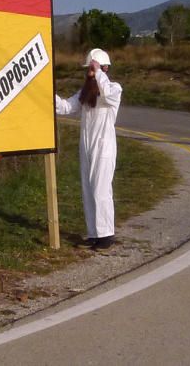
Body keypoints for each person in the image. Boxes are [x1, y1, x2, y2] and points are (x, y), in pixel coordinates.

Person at [54, 48, 123, 251]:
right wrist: (49, 95)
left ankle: (106, 235)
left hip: (104, 146)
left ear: (104, 69)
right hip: (86, 146)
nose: (90, 74)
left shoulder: (114, 88)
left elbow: (108, 95)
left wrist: (98, 71)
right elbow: (66, 107)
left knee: (101, 190)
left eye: (92, 69)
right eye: (89, 70)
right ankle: (94, 233)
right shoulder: (84, 92)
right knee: (88, 189)